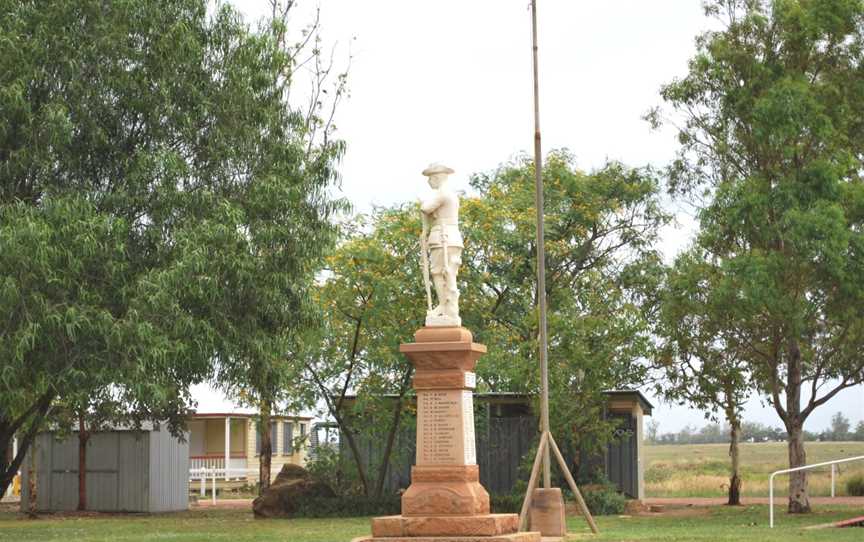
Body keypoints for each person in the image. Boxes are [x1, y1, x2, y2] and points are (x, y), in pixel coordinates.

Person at [419, 163, 463, 326]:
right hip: (451, 237)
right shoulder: (451, 194)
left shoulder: (443, 193)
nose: (429, 182)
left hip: (443, 238)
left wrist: (423, 202)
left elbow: (426, 208)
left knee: (439, 272)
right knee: (448, 273)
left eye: (430, 178)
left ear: (437, 178)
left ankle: (445, 306)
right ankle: (448, 307)